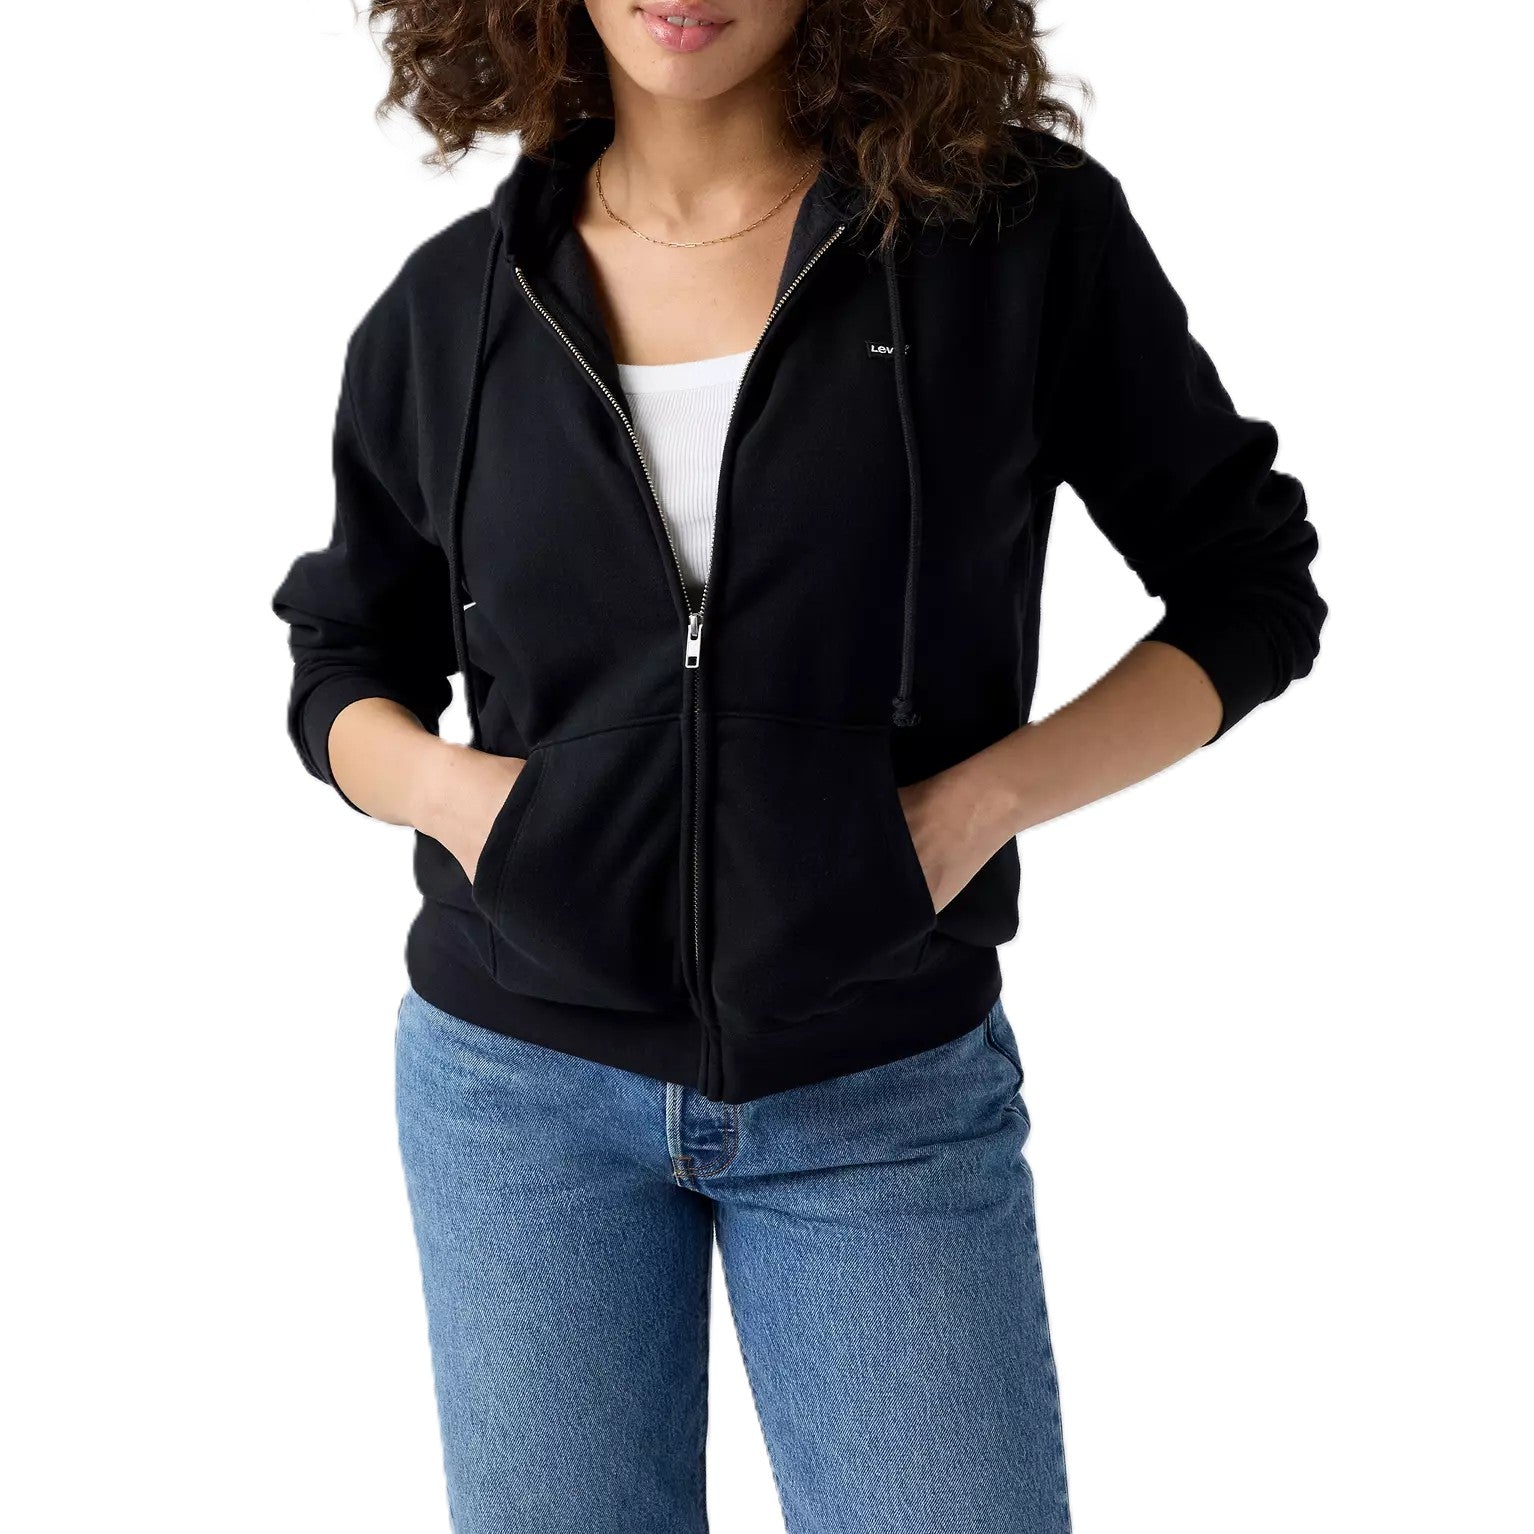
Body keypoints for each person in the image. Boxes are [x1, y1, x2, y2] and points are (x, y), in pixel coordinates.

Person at [272, 2, 1327, 1529]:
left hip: (878, 1083)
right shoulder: (456, 307)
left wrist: (977, 805)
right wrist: (465, 801)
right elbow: (339, 660)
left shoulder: (1008, 240)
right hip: (514, 1092)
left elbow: (1248, 587)